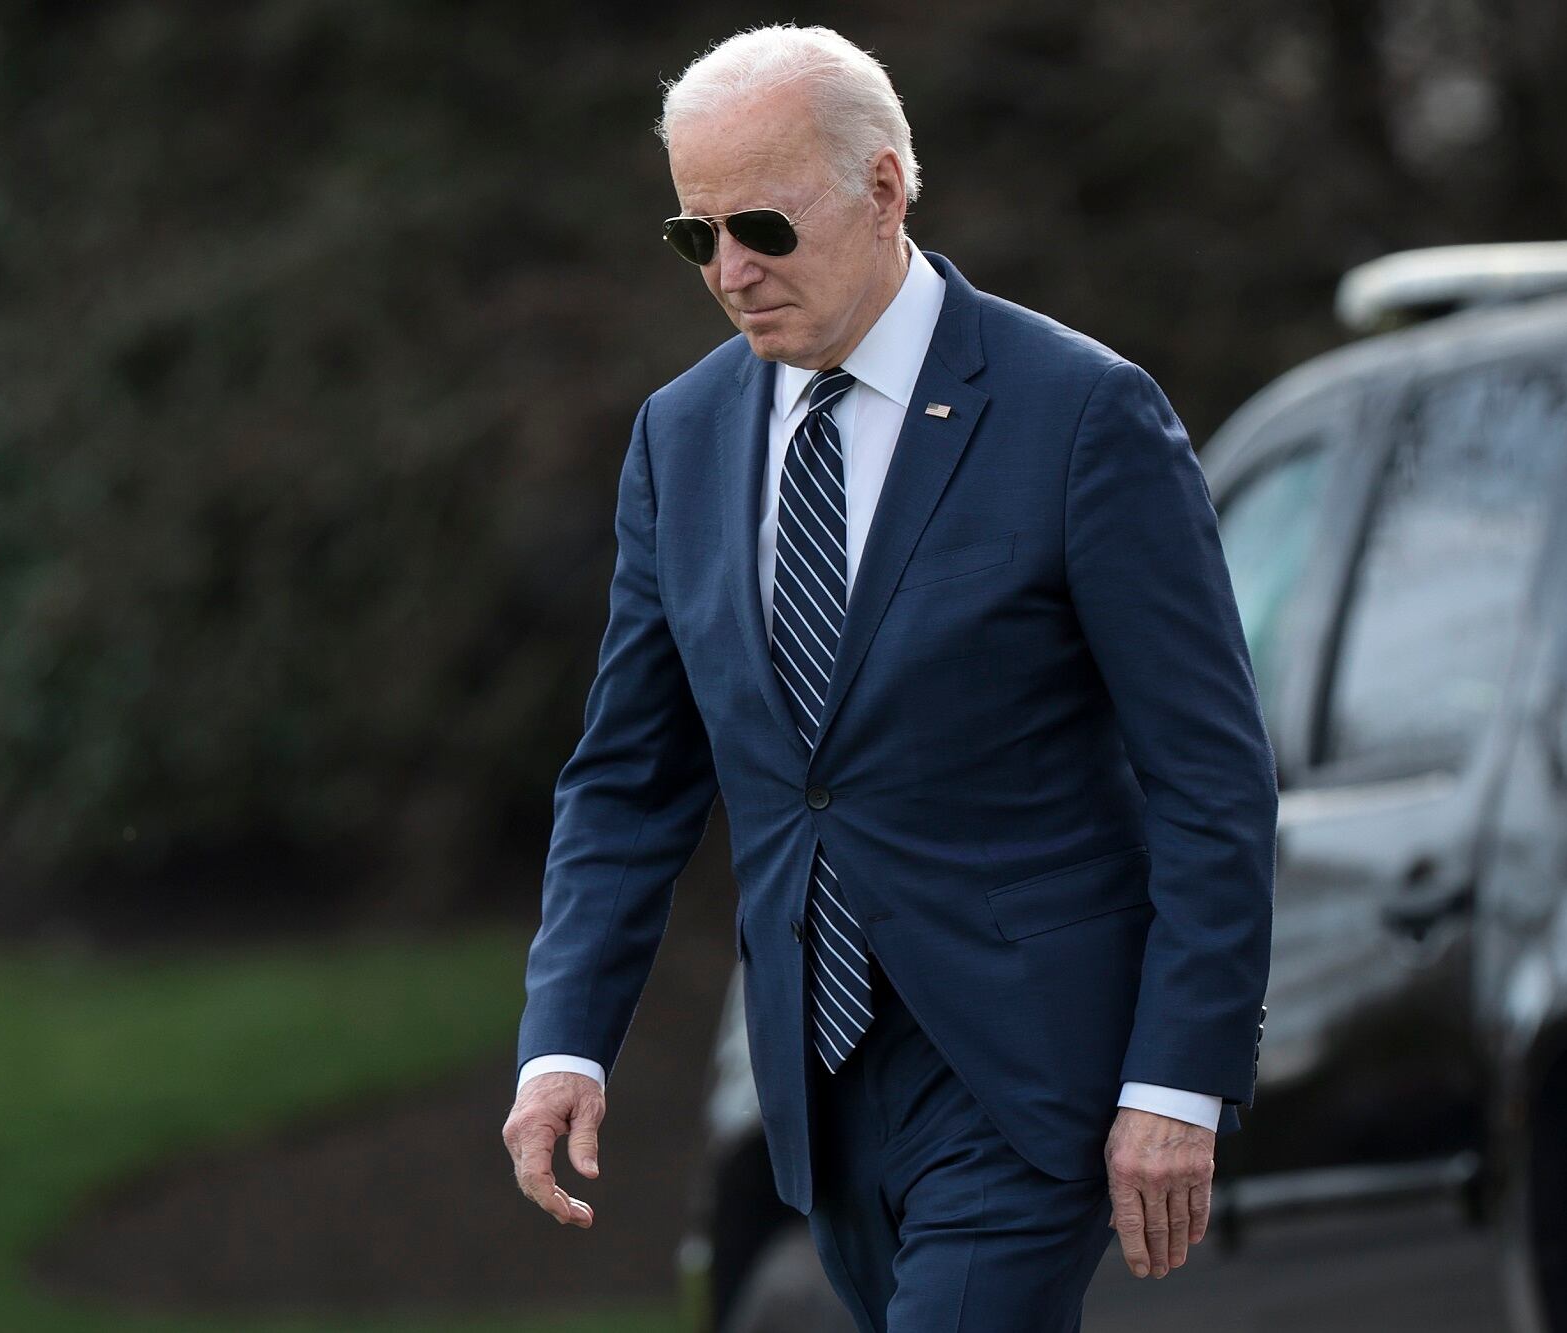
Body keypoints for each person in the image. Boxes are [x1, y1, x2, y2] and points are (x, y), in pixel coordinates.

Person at [501, 22, 1275, 1331]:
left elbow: (1211, 777)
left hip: (1029, 1078)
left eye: (762, 226)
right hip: (818, 1077)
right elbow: (631, 778)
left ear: (883, 189)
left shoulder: (1083, 416)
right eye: (697, 237)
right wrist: (566, 1035)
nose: (732, 273)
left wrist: (1177, 1079)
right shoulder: (679, 438)